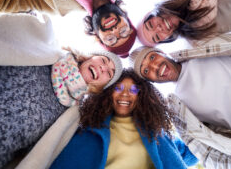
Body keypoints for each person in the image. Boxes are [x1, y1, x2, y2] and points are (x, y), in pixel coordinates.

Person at [129, 32, 231, 164]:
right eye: (146, 71)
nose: (155, 67)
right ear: (151, 81)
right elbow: (209, 155)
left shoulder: (199, 47)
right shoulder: (180, 111)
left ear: (161, 52)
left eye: (151, 57)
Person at [0, 13, 123, 169]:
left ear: (101, 87)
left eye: (109, 73)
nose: (103, 67)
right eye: (104, 60)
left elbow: (35, 155)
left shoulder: (71, 115)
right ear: (90, 57)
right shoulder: (48, 50)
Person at [16, 69, 199, 168]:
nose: (125, 94)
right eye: (118, 88)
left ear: (141, 97)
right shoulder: (86, 127)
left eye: (133, 90)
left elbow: (192, 153)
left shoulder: (157, 133)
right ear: (108, 94)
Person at [0, 0, 139, 57]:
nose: (114, 30)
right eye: (124, 31)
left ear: (97, 35)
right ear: (127, 19)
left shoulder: (54, 5)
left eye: (111, 39)